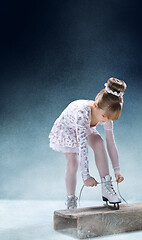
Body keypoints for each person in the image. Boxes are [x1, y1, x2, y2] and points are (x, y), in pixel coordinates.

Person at [48, 77, 127, 209]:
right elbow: (82, 146)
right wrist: (86, 176)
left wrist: (117, 170)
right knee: (73, 162)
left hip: (86, 127)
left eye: (110, 118)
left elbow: (110, 143)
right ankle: (71, 198)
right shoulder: (82, 113)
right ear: (96, 105)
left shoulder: (105, 114)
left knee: (99, 143)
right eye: (104, 117)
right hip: (69, 128)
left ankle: (106, 187)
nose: (106, 120)